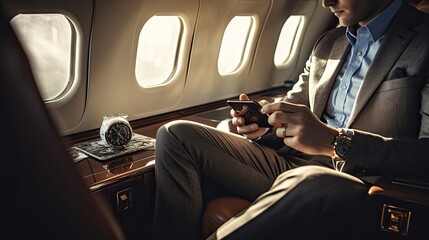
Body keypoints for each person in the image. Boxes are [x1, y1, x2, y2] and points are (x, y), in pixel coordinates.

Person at [152, 0, 429, 239]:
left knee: (312, 178)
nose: (325, 3)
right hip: (294, 165)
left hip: (363, 182)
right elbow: (293, 110)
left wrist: (337, 142)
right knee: (175, 135)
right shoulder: (329, 42)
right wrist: (263, 124)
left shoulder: (424, 38)